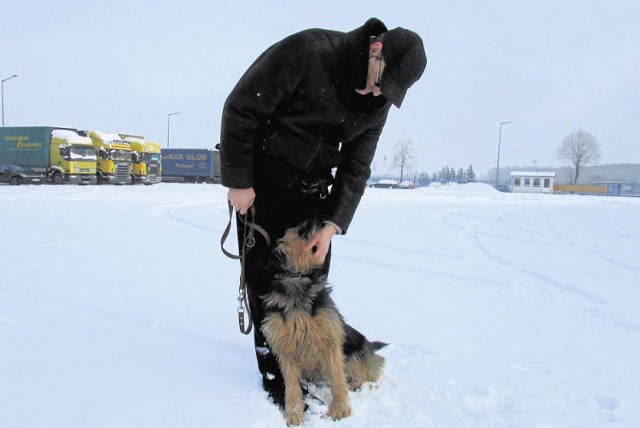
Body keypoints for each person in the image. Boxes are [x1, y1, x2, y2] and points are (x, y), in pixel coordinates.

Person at [220, 17, 426, 406]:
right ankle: (277, 377)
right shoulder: (309, 51)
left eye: (390, 92)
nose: (379, 94)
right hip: (264, 188)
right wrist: (239, 181)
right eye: (381, 82)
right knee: (267, 285)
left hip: (315, 198)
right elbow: (240, 109)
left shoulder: (379, 101)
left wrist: (332, 224)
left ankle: (308, 361)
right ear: (376, 50)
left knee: (311, 289)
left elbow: (357, 166)